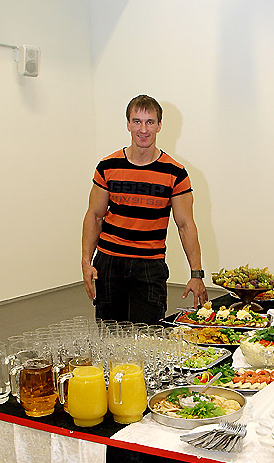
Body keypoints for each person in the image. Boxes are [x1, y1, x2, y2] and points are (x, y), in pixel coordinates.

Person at [81, 94, 207, 323]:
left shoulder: (175, 173)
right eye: (137, 121)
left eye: (150, 122)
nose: (143, 129)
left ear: (159, 125)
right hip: (109, 262)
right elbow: (95, 216)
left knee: (149, 335)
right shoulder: (108, 166)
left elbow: (185, 225)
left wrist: (196, 274)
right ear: (128, 124)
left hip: (149, 265)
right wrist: (86, 261)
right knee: (110, 334)